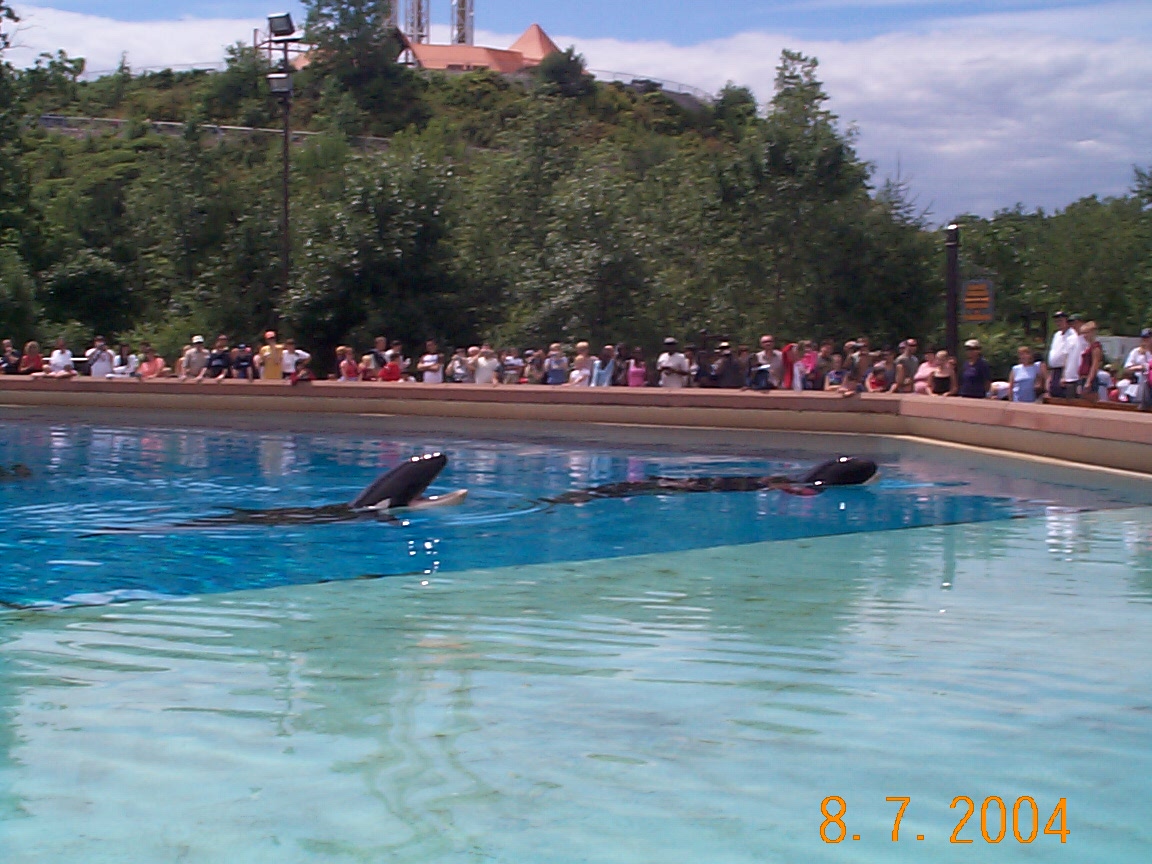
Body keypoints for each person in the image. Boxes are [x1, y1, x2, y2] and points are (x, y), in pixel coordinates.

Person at [1046, 311, 1078, 398]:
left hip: (1064, 370)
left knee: (1063, 395)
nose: (1058, 323)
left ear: (1067, 321)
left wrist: (1064, 376)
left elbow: (1069, 356)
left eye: (1060, 321)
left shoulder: (1072, 335)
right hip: (1054, 370)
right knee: (1053, 393)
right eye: (1056, 321)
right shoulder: (1057, 335)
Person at [1121, 328, 1151, 406]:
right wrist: (1140, 367)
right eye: (1144, 338)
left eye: (1148, 338)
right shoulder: (1136, 352)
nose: (1145, 341)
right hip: (1139, 383)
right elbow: (1127, 368)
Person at [1077, 321, 1106, 401]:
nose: (1084, 335)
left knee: (1091, 401)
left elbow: (1095, 365)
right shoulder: (1087, 347)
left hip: (1089, 379)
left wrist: (1089, 381)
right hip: (1082, 378)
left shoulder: (1095, 347)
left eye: (1087, 333)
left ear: (1093, 332)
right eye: (1083, 333)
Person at [1060, 315, 1087, 396]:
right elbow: (1066, 358)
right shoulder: (1069, 339)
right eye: (1071, 324)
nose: (1074, 325)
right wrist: (1063, 376)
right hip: (1070, 376)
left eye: (1076, 323)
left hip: (1082, 376)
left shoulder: (1087, 339)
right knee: (1070, 400)